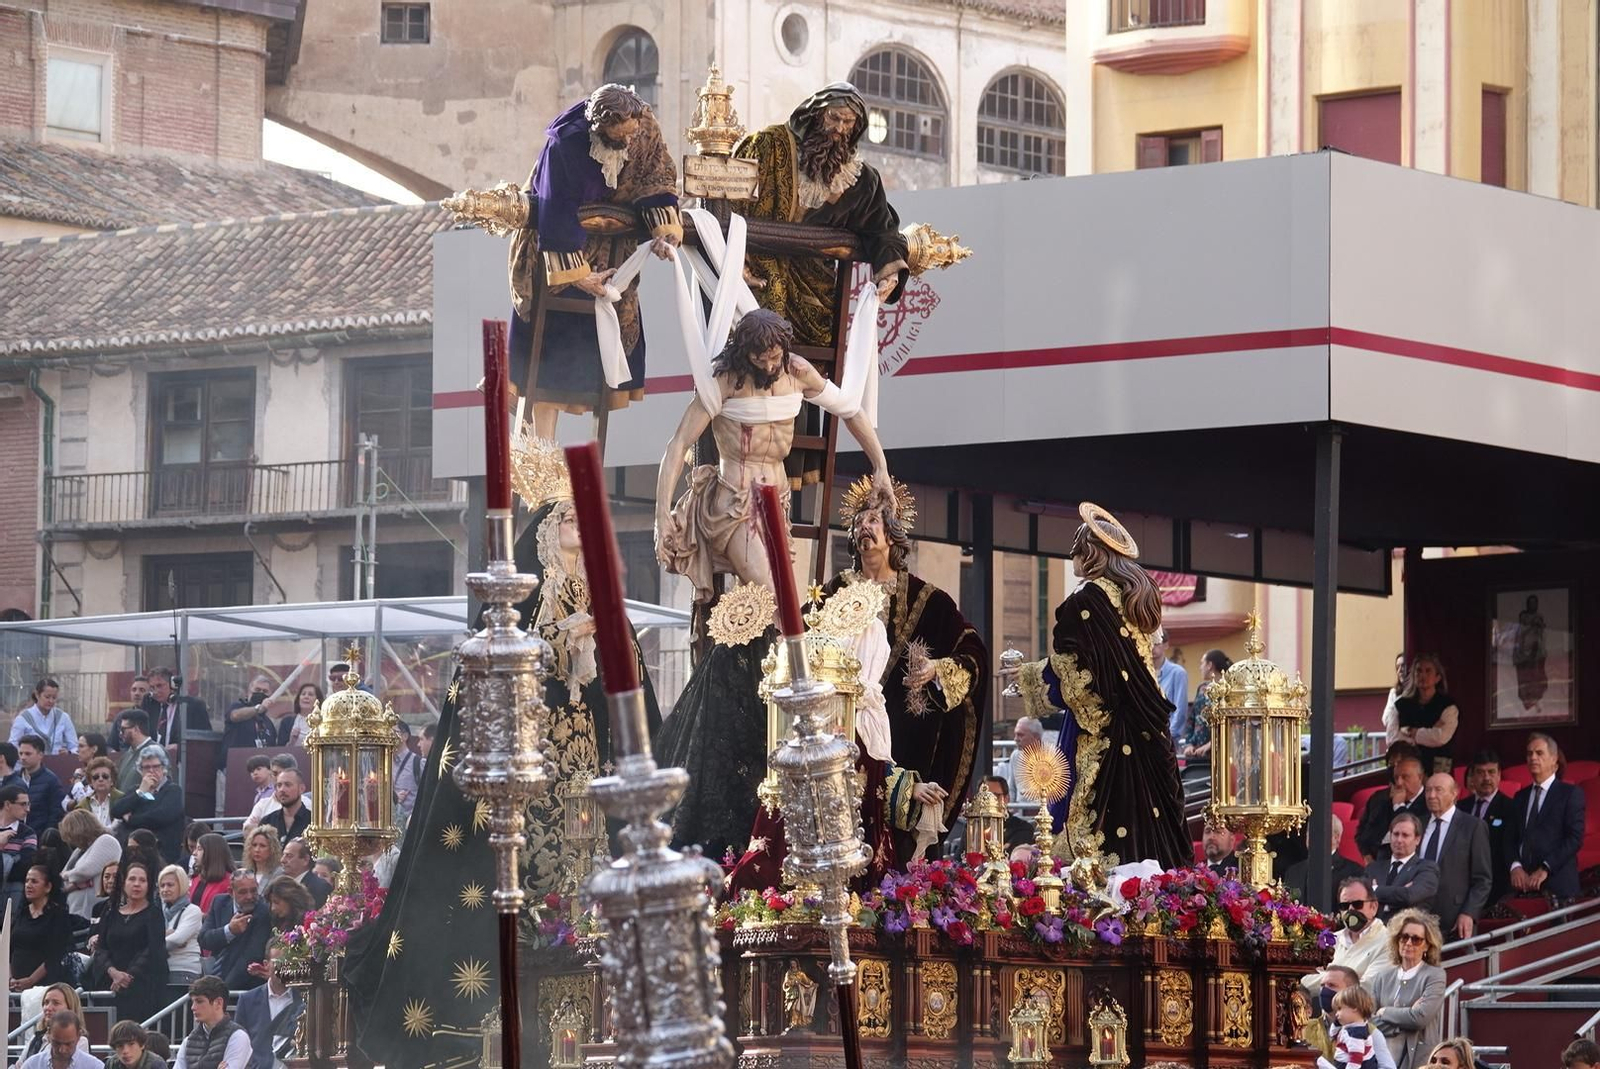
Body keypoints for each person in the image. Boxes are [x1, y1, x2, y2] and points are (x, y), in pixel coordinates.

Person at [652, 311, 896, 860]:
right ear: (745, 353)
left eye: (776, 356)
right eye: (761, 357)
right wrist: (660, 513)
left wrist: (880, 464)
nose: (770, 365)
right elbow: (676, 446)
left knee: (781, 607)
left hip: (777, 506)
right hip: (733, 508)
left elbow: (851, 410)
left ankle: (772, 695)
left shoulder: (800, 373)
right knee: (773, 598)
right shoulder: (725, 383)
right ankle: (792, 697)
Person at [1007, 503, 1189, 871]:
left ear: (1091, 551)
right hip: (1149, 733)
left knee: (1096, 836)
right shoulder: (1131, 599)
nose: (1072, 553)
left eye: (1077, 546)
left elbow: (1080, 676)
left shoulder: (1088, 600)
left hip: (1104, 735)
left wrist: (1025, 678)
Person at [817, 480, 987, 864]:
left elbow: (973, 652)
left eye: (875, 519)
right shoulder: (832, 595)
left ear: (893, 535)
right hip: (844, 731)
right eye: (860, 519)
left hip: (910, 744)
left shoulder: (930, 602)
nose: (864, 525)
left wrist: (939, 670)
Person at [508, 83, 681, 439]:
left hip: (614, 250)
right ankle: (541, 456)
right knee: (548, 362)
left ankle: (582, 463)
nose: (629, 140)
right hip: (557, 253)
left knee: (599, 354)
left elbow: (657, 175)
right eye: (620, 135)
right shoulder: (566, 143)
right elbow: (554, 211)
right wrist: (578, 275)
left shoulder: (645, 124)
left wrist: (663, 230)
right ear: (599, 127)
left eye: (632, 131)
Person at [732, 83, 908, 348]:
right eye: (833, 118)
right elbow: (733, 205)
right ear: (815, 114)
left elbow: (881, 229)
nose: (838, 129)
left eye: (848, 122)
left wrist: (890, 272)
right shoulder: (769, 146)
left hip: (815, 288)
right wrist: (737, 263)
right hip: (759, 272)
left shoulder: (861, 181)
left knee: (814, 362)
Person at [89, 857, 169, 1024]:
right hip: (109, 985)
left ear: (149, 885)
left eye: (142, 880)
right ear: (123, 883)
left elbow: (152, 950)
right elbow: (101, 948)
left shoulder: (154, 914)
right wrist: (113, 972)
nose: (137, 884)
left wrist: (127, 977)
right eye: (132, 879)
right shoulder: (110, 913)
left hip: (141, 989)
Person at [1508, 731, 1586, 901]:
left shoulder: (1570, 794)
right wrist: (1515, 866)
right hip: (1523, 887)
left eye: (1539, 753)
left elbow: (1574, 838)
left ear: (1554, 759)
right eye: (1529, 754)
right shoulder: (1520, 797)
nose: (1533, 758)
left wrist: (1545, 868)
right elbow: (1510, 838)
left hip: (1558, 885)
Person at [1367, 908, 1447, 1068]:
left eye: (1416, 939)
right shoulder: (1383, 975)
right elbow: (1369, 1023)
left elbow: (1420, 1018)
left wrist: (1385, 1012)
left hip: (1418, 1059)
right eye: (1404, 937)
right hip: (1383, 1057)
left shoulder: (1435, 975)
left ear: (1427, 946)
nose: (1409, 943)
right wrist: (1405, 1018)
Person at [1419, 773, 1492, 939]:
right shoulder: (1417, 824)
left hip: (1455, 921)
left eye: (1438, 790)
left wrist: (1469, 912)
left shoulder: (1473, 826)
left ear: (1454, 793)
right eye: (1428, 790)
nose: (1431, 795)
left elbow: (1483, 879)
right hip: (1418, 921)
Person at [1302, 876, 1391, 997]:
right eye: (1344, 906)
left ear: (1373, 907)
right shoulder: (1332, 940)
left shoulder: (1388, 941)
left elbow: (1367, 988)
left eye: (1357, 904)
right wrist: (1350, 978)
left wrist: (1326, 978)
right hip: (1329, 1015)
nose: (1350, 909)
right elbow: (1304, 979)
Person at [233, 938, 304, 1069]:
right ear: (266, 964)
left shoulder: (304, 999)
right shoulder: (247, 1000)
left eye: (288, 961)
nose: (284, 967)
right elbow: (239, 1043)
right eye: (279, 962)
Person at [1382, 654, 1458, 774]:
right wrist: (1430, 730)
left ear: (1437, 677)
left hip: (1439, 765)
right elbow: (1392, 739)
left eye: (1428, 671)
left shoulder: (1448, 705)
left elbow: (1441, 737)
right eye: (1419, 671)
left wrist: (1412, 732)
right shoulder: (1400, 704)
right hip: (1408, 765)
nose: (1423, 675)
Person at [1457, 749, 1514, 905]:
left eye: (1491, 772)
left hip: (1496, 884)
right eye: (1481, 773)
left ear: (1499, 774)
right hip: (1462, 885)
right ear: (1473, 776)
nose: (1486, 778)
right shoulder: (1460, 808)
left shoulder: (1510, 807)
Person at [110, 748, 186, 864]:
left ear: (163, 769)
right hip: (132, 854)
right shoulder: (135, 790)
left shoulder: (173, 791)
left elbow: (160, 817)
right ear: (140, 770)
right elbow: (116, 810)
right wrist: (141, 792)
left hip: (161, 854)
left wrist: (131, 819)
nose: (151, 771)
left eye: (156, 767)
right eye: (146, 767)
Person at [9, 864, 73, 989]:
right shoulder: (21, 913)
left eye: (34, 881)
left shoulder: (58, 915)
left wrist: (31, 980)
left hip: (44, 987)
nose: (28, 885)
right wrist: (10, 978)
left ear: (48, 887)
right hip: (13, 986)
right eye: (26, 881)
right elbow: (8, 949)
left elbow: (56, 954)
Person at [1366, 813, 1439, 921]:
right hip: (1373, 933)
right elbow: (1361, 896)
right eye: (1395, 834)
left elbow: (1409, 896)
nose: (1399, 840)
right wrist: (1400, 892)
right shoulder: (1373, 868)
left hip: (1405, 933)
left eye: (1405, 835)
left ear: (1417, 839)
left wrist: (1374, 890)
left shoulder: (1427, 869)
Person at [1356, 754, 1428, 863]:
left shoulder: (1429, 803)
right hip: (1378, 865)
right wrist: (1367, 854)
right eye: (1396, 777)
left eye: (1405, 777)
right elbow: (1365, 835)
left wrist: (1399, 806)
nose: (1399, 783)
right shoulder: (1382, 800)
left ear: (1420, 777)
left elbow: (1412, 833)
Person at [172, 975, 253, 1069]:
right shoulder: (188, 1042)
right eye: (193, 1002)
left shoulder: (238, 1037)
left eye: (199, 1001)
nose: (193, 1007)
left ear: (218, 1003)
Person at [1285, 814, 1366, 904]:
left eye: (1319, 832)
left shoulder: (1354, 873)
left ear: (1336, 838)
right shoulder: (1293, 872)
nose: (1312, 836)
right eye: (1309, 831)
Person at [1180, 649, 1230, 789]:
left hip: (1217, 756)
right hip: (1196, 755)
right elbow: (1192, 719)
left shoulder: (1229, 690)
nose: (1200, 667)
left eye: (1202, 663)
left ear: (1209, 665)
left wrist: (1212, 744)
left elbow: (1229, 722)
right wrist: (1189, 744)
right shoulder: (1202, 688)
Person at [57, 809, 121, 919]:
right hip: (76, 909)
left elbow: (85, 870)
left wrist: (67, 876)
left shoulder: (106, 841)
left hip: (96, 910)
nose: (71, 841)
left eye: (71, 836)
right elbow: (62, 877)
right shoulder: (79, 850)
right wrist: (75, 882)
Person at [197, 871, 261, 980]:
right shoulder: (219, 902)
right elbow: (204, 939)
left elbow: (251, 957)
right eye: (243, 892)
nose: (250, 896)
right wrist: (229, 931)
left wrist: (224, 988)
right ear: (231, 892)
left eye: (253, 890)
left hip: (245, 981)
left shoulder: (263, 910)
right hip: (216, 973)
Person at [144, 667, 213, 752]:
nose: (156, 691)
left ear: (172, 685)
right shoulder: (151, 707)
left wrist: (180, 748)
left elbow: (205, 740)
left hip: (183, 760)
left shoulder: (192, 706)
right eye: (152, 688)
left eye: (159, 686)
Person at [17, 985, 89, 1065]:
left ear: (70, 1007)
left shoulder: (80, 1041)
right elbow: (19, 1065)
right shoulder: (37, 1038)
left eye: (56, 1003)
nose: (48, 1007)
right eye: (46, 1002)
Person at [1316, 984, 1382, 1069]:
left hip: (1349, 1066)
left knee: (1317, 1060)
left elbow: (1356, 1060)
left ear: (1354, 1007)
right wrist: (1337, 1023)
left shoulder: (1356, 1034)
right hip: (1342, 1063)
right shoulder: (1352, 1027)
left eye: (1339, 1009)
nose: (1336, 1014)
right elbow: (1332, 1035)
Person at [159, 864, 204, 985]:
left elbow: (177, 939)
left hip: (184, 971)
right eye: (162, 885)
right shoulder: (157, 911)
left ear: (182, 885)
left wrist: (156, 941)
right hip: (160, 969)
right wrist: (165, 935)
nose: (165, 889)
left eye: (170, 885)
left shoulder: (193, 910)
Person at [10, 678, 76, 753]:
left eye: (54, 698)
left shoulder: (63, 717)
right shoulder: (23, 718)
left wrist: (69, 752)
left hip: (57, 763)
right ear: (37, 695)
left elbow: (74, 746)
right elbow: (13, 746)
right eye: (47, 697)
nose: (51, 701)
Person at [16, 735, 66, 833]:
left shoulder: (51, 781)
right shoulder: (14, 779)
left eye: (28, 754)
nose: (23, 757)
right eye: (21, 753)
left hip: (39, 836)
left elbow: (56, 813)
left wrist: (46, 837)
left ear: (40, 755)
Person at [19, 1010, 100, 1069]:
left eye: (68, 1044)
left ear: (78, 1036)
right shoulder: (31, 1065)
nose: (62, 1050)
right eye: (56, 1043)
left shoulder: (94, 1066)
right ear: (48, 1035)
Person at [0, 781, 39, 903]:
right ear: (7, 805)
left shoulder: (28, 833)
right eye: (23, 804)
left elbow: (23, 869)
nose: (28, 809)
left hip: (11, 897)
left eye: (28, 804)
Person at [1150, 630, 1190, 742]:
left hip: (1168, 738)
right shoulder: (1142, 672)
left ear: (1166, 645)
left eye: (1156, 643)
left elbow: (1180, 709)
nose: (1152, 647)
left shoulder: (1177, 673)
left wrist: (1168, 737)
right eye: (1149, 643)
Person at [114, 711, 164, 795]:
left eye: (123, 729)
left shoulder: (156, 752)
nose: (120, 734)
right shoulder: (127, 755)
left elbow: (161, 790)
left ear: (136, 729)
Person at [224, 675, 279, 751]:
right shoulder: (237, 706)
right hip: (236, 760)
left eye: (265, 691)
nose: (261, 693)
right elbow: (235, 716)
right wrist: (258, 708)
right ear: (248, 692)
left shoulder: (268, 723)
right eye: (257, 690)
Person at [244, 754, 298, 831]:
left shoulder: (308, 804)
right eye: (275, 774)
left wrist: (260, 828)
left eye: (258, 769)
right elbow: (247, 829)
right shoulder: (262, 803)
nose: (255, 773)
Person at [261, 769, 310, 844]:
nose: (282, 789)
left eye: (288, 785)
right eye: (279, 785)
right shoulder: (267, 821)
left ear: (301, 789)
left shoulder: (313, 822)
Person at [188, 833, 233, 914]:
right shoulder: (196, 879)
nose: (194, 853)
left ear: (212, 852)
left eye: (199, 849)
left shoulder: (229, 882)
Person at [279, 839, 331, 907]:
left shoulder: (319, 887)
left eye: (289, 856)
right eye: (283, 855)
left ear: (305, 860)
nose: (282, 860)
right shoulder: (279, 883)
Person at [1002, 718, 1044, 802]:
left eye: (1020, 735)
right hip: (1018, 811)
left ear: (1036, 737)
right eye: (1015, 735)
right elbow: (1011, 788)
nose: (1016, 739)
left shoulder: (1051, 757)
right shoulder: (1016, 756)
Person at [73, 756, 120, 827]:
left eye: (105, 776)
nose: (100, 779)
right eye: (95, 777)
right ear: (90, 782)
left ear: (112, 780)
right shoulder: (82, 806)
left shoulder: (121, 799)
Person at [64, 734, 108, 809]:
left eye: (81, 746)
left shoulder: (104, 773)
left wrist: (77, 779)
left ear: (94, 749)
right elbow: (65, 803)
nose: (77, 750)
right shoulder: (82, 772)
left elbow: (86, 803)